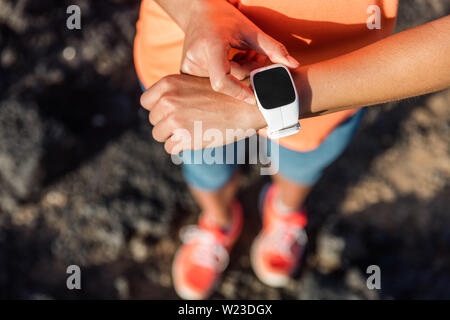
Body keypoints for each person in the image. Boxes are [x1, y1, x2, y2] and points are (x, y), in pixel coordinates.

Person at [135, 0, 450, 299]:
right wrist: (194, 10)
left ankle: (284, 211)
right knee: (204, 163)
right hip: (184, 58)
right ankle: (218, 221)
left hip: (333, 80)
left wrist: (268, 105)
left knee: (301, 163)